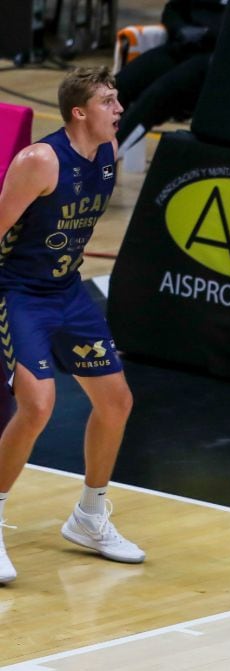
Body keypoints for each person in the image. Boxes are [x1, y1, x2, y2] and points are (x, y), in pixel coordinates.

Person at [0, 67, 144, 585]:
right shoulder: (39, 161)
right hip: (18, 292)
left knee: (116, 401)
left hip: (67, 291)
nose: (119, 109)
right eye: (108, 101)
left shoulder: (107, 155)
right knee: (37, 405)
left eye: (117, 99)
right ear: (79, 112)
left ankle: (88, 517)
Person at [115, 0, 227, 152]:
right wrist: (180, 29)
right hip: (183, 45)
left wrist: (208, 33)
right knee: (116, 86)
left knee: (156, 95)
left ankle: (106, 158)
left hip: (218, 58)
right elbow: (172, 10)